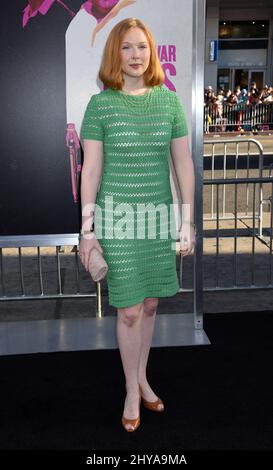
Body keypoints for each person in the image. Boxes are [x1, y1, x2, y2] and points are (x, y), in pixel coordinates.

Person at [79, 17, 196, 432]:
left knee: (150, 303)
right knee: (129, 309)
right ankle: (132, 388)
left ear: (152, 52)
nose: (135, 55)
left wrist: (187, 221)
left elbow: (183, 164)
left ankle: (143, 377)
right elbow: (90, 171)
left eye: (142, 47)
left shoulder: (169, 102)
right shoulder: (100, 106)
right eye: (127, 47)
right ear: (115, 53)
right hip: (118, 220)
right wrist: (88, 229)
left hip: (158, 218)